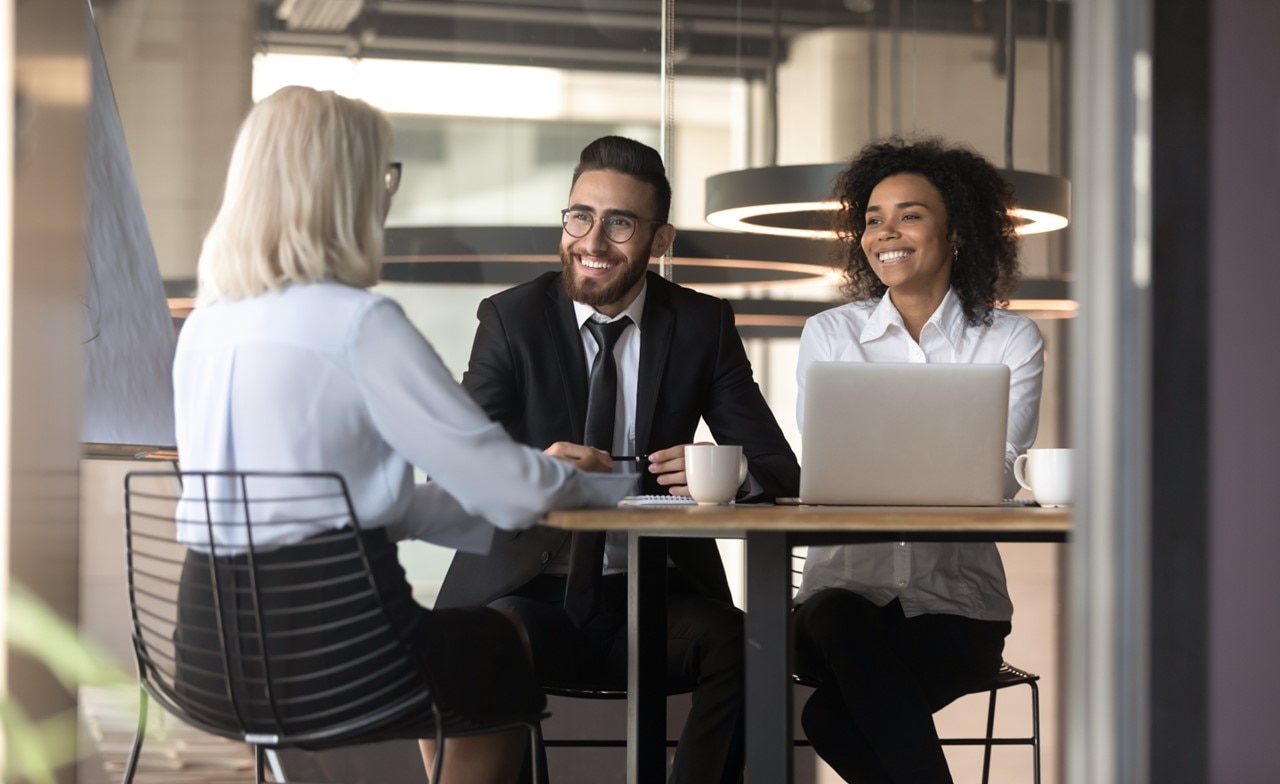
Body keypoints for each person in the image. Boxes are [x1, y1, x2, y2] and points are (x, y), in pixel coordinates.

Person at [172, 86, 635, 784]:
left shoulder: (207, 327)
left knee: (472, 651)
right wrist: (591, 484)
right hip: (337, 656)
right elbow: (506, 488)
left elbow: (345, 506)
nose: (387, 194)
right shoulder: (357, 323)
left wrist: (493, 500)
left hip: (204, 654)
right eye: (384, 174)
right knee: (495, 652)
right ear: (348, 188)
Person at [436, 135, 801, 784]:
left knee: (754, 644)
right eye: (581, 216)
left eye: (621, 223)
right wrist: (535, 465)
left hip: (655, 594)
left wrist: (729, 472)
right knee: (490, 647)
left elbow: (780, 471)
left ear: (660, 242)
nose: (593, 241)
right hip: (528, 590)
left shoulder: (700, 325)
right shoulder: (510, 319)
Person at [792, 137, 1045, 784]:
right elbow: (829, 466)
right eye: (873, 218)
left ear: (955, 228)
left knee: (830, 721)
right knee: (844, 619)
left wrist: (887, 475)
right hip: (836, 605)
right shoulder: (830, 334)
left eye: (909, 214)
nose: (885, 233)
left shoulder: (1011, 338)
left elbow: (995, 475)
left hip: (958, 609)